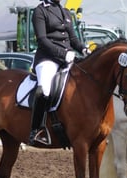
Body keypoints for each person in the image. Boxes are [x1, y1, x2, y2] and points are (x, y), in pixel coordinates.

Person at [28, 0, 91, 145]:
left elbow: (73, 39)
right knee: (44, 90)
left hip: (67, 58)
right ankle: (36, 130)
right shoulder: (40, 11)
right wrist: (63, 54)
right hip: (47, 58)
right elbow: (42, 40)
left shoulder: (65, 12)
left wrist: (83, 49)